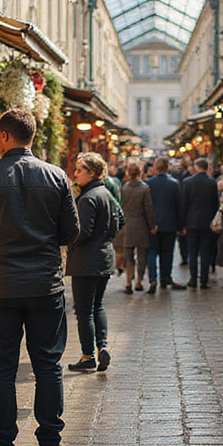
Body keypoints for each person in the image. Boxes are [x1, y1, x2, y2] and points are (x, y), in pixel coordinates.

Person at [0, 107, 81, 446]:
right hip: (45, 284)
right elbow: (71, 232)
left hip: (0, 284)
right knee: (48, 366)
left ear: (3, 136)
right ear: (32, 136)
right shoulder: (56, 176)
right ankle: (50, 445)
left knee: (1, 369)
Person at [65, 152, 122, 372]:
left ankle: (88, 355)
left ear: (92, 173)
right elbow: (120, 220)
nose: (75, 174)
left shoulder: (88, 198)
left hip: (86, 261)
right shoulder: (106, 193)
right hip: (104, 257)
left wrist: (67, 239)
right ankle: (103, 347)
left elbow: (83, 231)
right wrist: (105, 237)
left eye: (80, 170)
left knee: (84, 311)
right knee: (97, 306)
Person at [113, 159, 157, 294]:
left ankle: (128, 281)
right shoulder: (144, 188)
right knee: (142, 256)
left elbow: (121, 206)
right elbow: (148, 209)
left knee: (128, 255)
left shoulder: (125, 188)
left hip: (128, 225)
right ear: (140, 173)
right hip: (141, 224)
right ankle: (139, 281)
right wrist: (152, 225)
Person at [180, 157, 220, 289]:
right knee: (205, 252)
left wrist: (182, 224)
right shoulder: (212, 183)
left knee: (192, 252)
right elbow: (215, 204)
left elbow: (184, 204)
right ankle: (204, 279)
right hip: (207, 222)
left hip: (191, 222)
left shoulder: (188, 182)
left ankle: (193, 279)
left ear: (196, 167)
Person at [145, 156, 184, 292]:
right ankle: (165, 277)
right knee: (167, 253)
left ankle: (152, 278)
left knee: (152, 252)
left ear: (155, 168)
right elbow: (179, 206)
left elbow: (146, 205)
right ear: (167, 168)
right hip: (169, 224)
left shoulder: (148, 183)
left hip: (153, 224)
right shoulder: (174, 184)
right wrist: (181, 226)